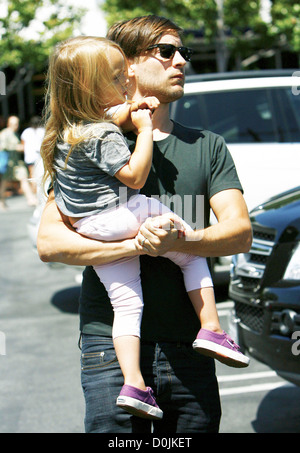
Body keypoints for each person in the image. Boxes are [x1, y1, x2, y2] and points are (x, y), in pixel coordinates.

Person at [37, 15, 252, 433]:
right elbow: (50, 243)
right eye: (167, 51)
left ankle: (212, 329)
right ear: (128, 65)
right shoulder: (92, 138)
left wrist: (180, 239)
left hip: (189, 349)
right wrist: (139, 244)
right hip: (108, 350)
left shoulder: (207, 146)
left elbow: (240, 233)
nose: (181, 62)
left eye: (184, 53)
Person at [21, 116, 45, 194]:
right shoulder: (43, 131)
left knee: (32, 175)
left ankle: (34, 191)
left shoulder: (26, 132)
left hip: (30, 156)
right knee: (40, 174)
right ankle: (39, 191)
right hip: (40, 157)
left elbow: (23, 145)